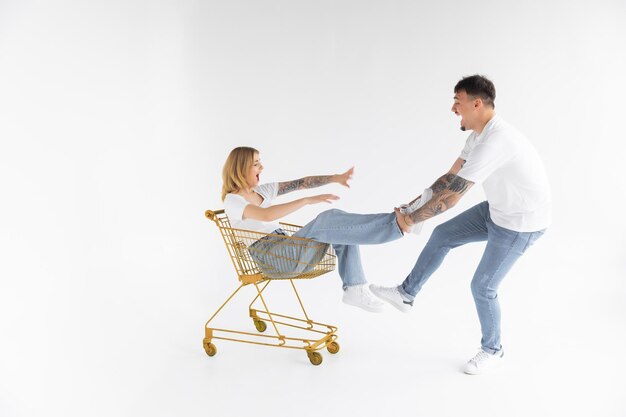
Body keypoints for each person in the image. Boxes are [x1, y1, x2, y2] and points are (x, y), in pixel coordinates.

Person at [371, 75, 551, 374]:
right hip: (498, 210)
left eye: (458, 102)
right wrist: (411, 207)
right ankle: (406, 294)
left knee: (483, 286)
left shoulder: (496, 142)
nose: (454, 109)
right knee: (442, 235)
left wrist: (410, 221)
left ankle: (493, 349)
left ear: (476, 103)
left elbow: (453, 196)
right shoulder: (478, 136)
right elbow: (449, 178)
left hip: (521, 223)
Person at [221, 146, 406, 313]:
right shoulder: (233, 200)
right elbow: (267, 215)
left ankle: (354, 288)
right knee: (329, 218)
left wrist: (335, 178)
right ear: (242, 167)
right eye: (256, 164)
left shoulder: (263, 191)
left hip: (285, 249)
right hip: (273, 258)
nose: (261, 168)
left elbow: (302, 183)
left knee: (340, 227)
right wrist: (306, 201)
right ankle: (394, 224)